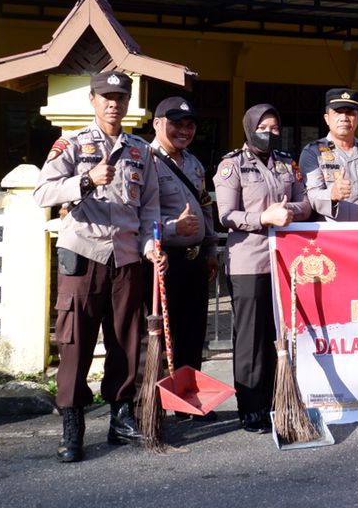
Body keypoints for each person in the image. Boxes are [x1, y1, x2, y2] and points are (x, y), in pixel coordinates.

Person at [33, 71, 163, 463]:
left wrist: (150, 242)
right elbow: (43, 192)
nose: (113, 103)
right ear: (92, 100)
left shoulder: (141, 151)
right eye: (106, 96)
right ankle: (72, 425)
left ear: (128, 103)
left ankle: (121, 417)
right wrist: (86, 180)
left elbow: (150, 205)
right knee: (76, 343)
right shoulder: (72, 144)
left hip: (126, 256)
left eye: (120, 97)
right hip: (84, 256)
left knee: (126, 340)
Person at [213, 104, 312, 434]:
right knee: (251, 337)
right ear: (249, 128)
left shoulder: (286, 162)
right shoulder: (232, 165)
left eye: (274, 128)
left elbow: (305, 203)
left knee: (277, 332)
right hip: (248, 261)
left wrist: (288, 212)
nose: (269, 134)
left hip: (283, 261)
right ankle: (251, 406)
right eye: (263, 128)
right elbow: (225, 215)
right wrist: (263, 218)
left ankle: (276, 399)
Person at [148, 96, 219, 421]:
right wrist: (171, 228)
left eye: (190, 125)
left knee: (193, 331)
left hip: (194, 259)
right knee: (162, 334)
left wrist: (210, 249)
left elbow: (205, 207)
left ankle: (187, 400)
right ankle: (154, 403)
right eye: (176, 124)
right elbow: (137, 216)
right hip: (163, 260)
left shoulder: (193, 163)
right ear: (157, 124)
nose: (184, 131)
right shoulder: (145, 161)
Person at [299, 88, 358, 222]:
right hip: (331, 231)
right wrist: (332, 195)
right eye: (337, 112)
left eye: (350, 113)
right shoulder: (313, 152)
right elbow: (311, 195)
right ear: (327, 118)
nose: (344, 118)